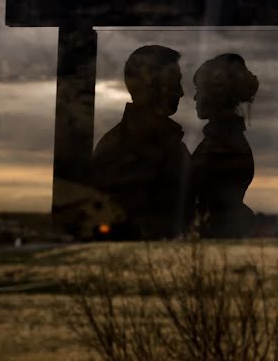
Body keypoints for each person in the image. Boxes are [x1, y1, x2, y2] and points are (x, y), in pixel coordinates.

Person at [90, 45, 193, 239]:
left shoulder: (164, 141)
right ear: (149, 86)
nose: (180, 93)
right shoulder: (123, 147)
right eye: (174, 84)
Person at [191, 53, 258, 238]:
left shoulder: (223, 145)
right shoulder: (224, 139)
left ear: (216, 95)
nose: (195, 97)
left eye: (199, 90)